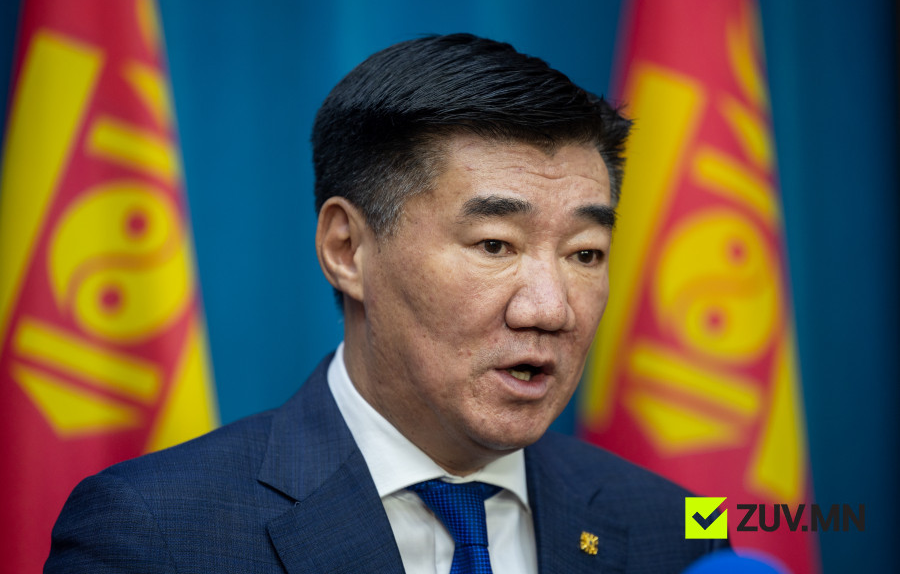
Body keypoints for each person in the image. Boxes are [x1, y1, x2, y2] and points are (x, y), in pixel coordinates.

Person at [46, 33, 726, 573]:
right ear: (347, 249)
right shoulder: (155, 535)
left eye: (585, 254)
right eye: (495, 245)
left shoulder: (680, 530)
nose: (551, 310)